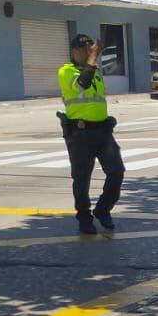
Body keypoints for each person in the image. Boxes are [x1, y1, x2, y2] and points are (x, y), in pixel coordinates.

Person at [57, 34, 126, 236]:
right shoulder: (66, 71)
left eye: (91, 49)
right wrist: (93, 59)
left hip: (102, 131)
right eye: (85, 49)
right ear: (74, 51)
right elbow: (82, 85)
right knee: (82, 177)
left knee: (116, 171)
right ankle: (84, 217)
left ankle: (103, 209)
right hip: (80, 133)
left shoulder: (94, 70)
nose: (89, 52)